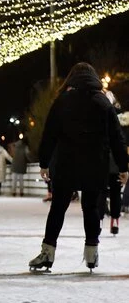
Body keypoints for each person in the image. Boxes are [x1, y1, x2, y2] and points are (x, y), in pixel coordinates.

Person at [29, 63, 128, 272]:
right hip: (95, 163)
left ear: (71, 79)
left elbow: (49, 135)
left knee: (58, 208)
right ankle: (92, 254)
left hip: (66, 164)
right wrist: (123, 166)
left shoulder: (62, 102)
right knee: (91, 207)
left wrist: (45, 162)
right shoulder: (103, 103)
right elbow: (117, 138)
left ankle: (47, 252)